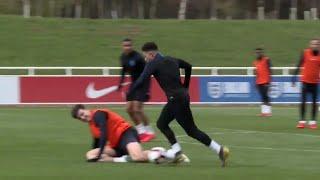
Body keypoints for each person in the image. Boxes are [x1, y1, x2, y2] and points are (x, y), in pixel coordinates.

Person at [128, 42, 229, 167]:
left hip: (175, 99)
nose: (145, 59)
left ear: (151, 54)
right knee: (164, 124)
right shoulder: (172, 59)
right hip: (183, 97)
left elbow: (142, 79)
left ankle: (217, 150)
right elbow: (188, 66)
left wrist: (130, 91)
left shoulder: (153, 63)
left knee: (188, 130)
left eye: (146, 56)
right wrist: (185, 86)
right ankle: (179, 152)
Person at [71, 104, 179, 163]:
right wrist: (96, 156)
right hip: (115, 145)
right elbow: (97, 142)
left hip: (126, 134)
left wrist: (100, 155)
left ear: (85, 109)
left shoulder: (98, 114)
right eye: (80, 118)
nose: (82, 117)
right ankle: (154, 153)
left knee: (137, 157)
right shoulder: (91, 126)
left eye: (82, 114)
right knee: (90, 155)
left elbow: (104, 133)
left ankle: (168, 154)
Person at [118, 38, 155, 142]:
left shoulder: (138, 57)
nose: (127, 47)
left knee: (137, 109)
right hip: (134, 84)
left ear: (132, 46)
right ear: (122, 46)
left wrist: (147, 90)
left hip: (143, 83)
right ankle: (141, 132)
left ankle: (150, 132)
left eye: (129, 45)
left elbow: (147, 72)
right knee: (129, 109)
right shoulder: (123, 57)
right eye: (125, 45)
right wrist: (120, 83)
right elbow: (123, 71)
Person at [292, 38, 320, 129]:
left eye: (317, 44)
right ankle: (302, 121)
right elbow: (298, 65)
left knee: (314, 103)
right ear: (310, 45)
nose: (315, 46)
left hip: (315, 83)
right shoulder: (305, 53)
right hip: (305, 82)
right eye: (313, 44)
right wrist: (293, 77)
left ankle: (313, 122)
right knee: (303, 102)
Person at [253, 48, 272, 117]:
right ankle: (264, 112)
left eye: (259, 52)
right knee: (262, 96)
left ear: (262, 53)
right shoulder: (255, 62)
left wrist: (269, 82)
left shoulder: (267, 59)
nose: (258, 54)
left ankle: (269, 112)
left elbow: (270, 71)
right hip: (259, 82)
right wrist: (255, 82)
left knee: (266, 96)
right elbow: (256, 73)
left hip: (266, 81)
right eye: (257, 53)